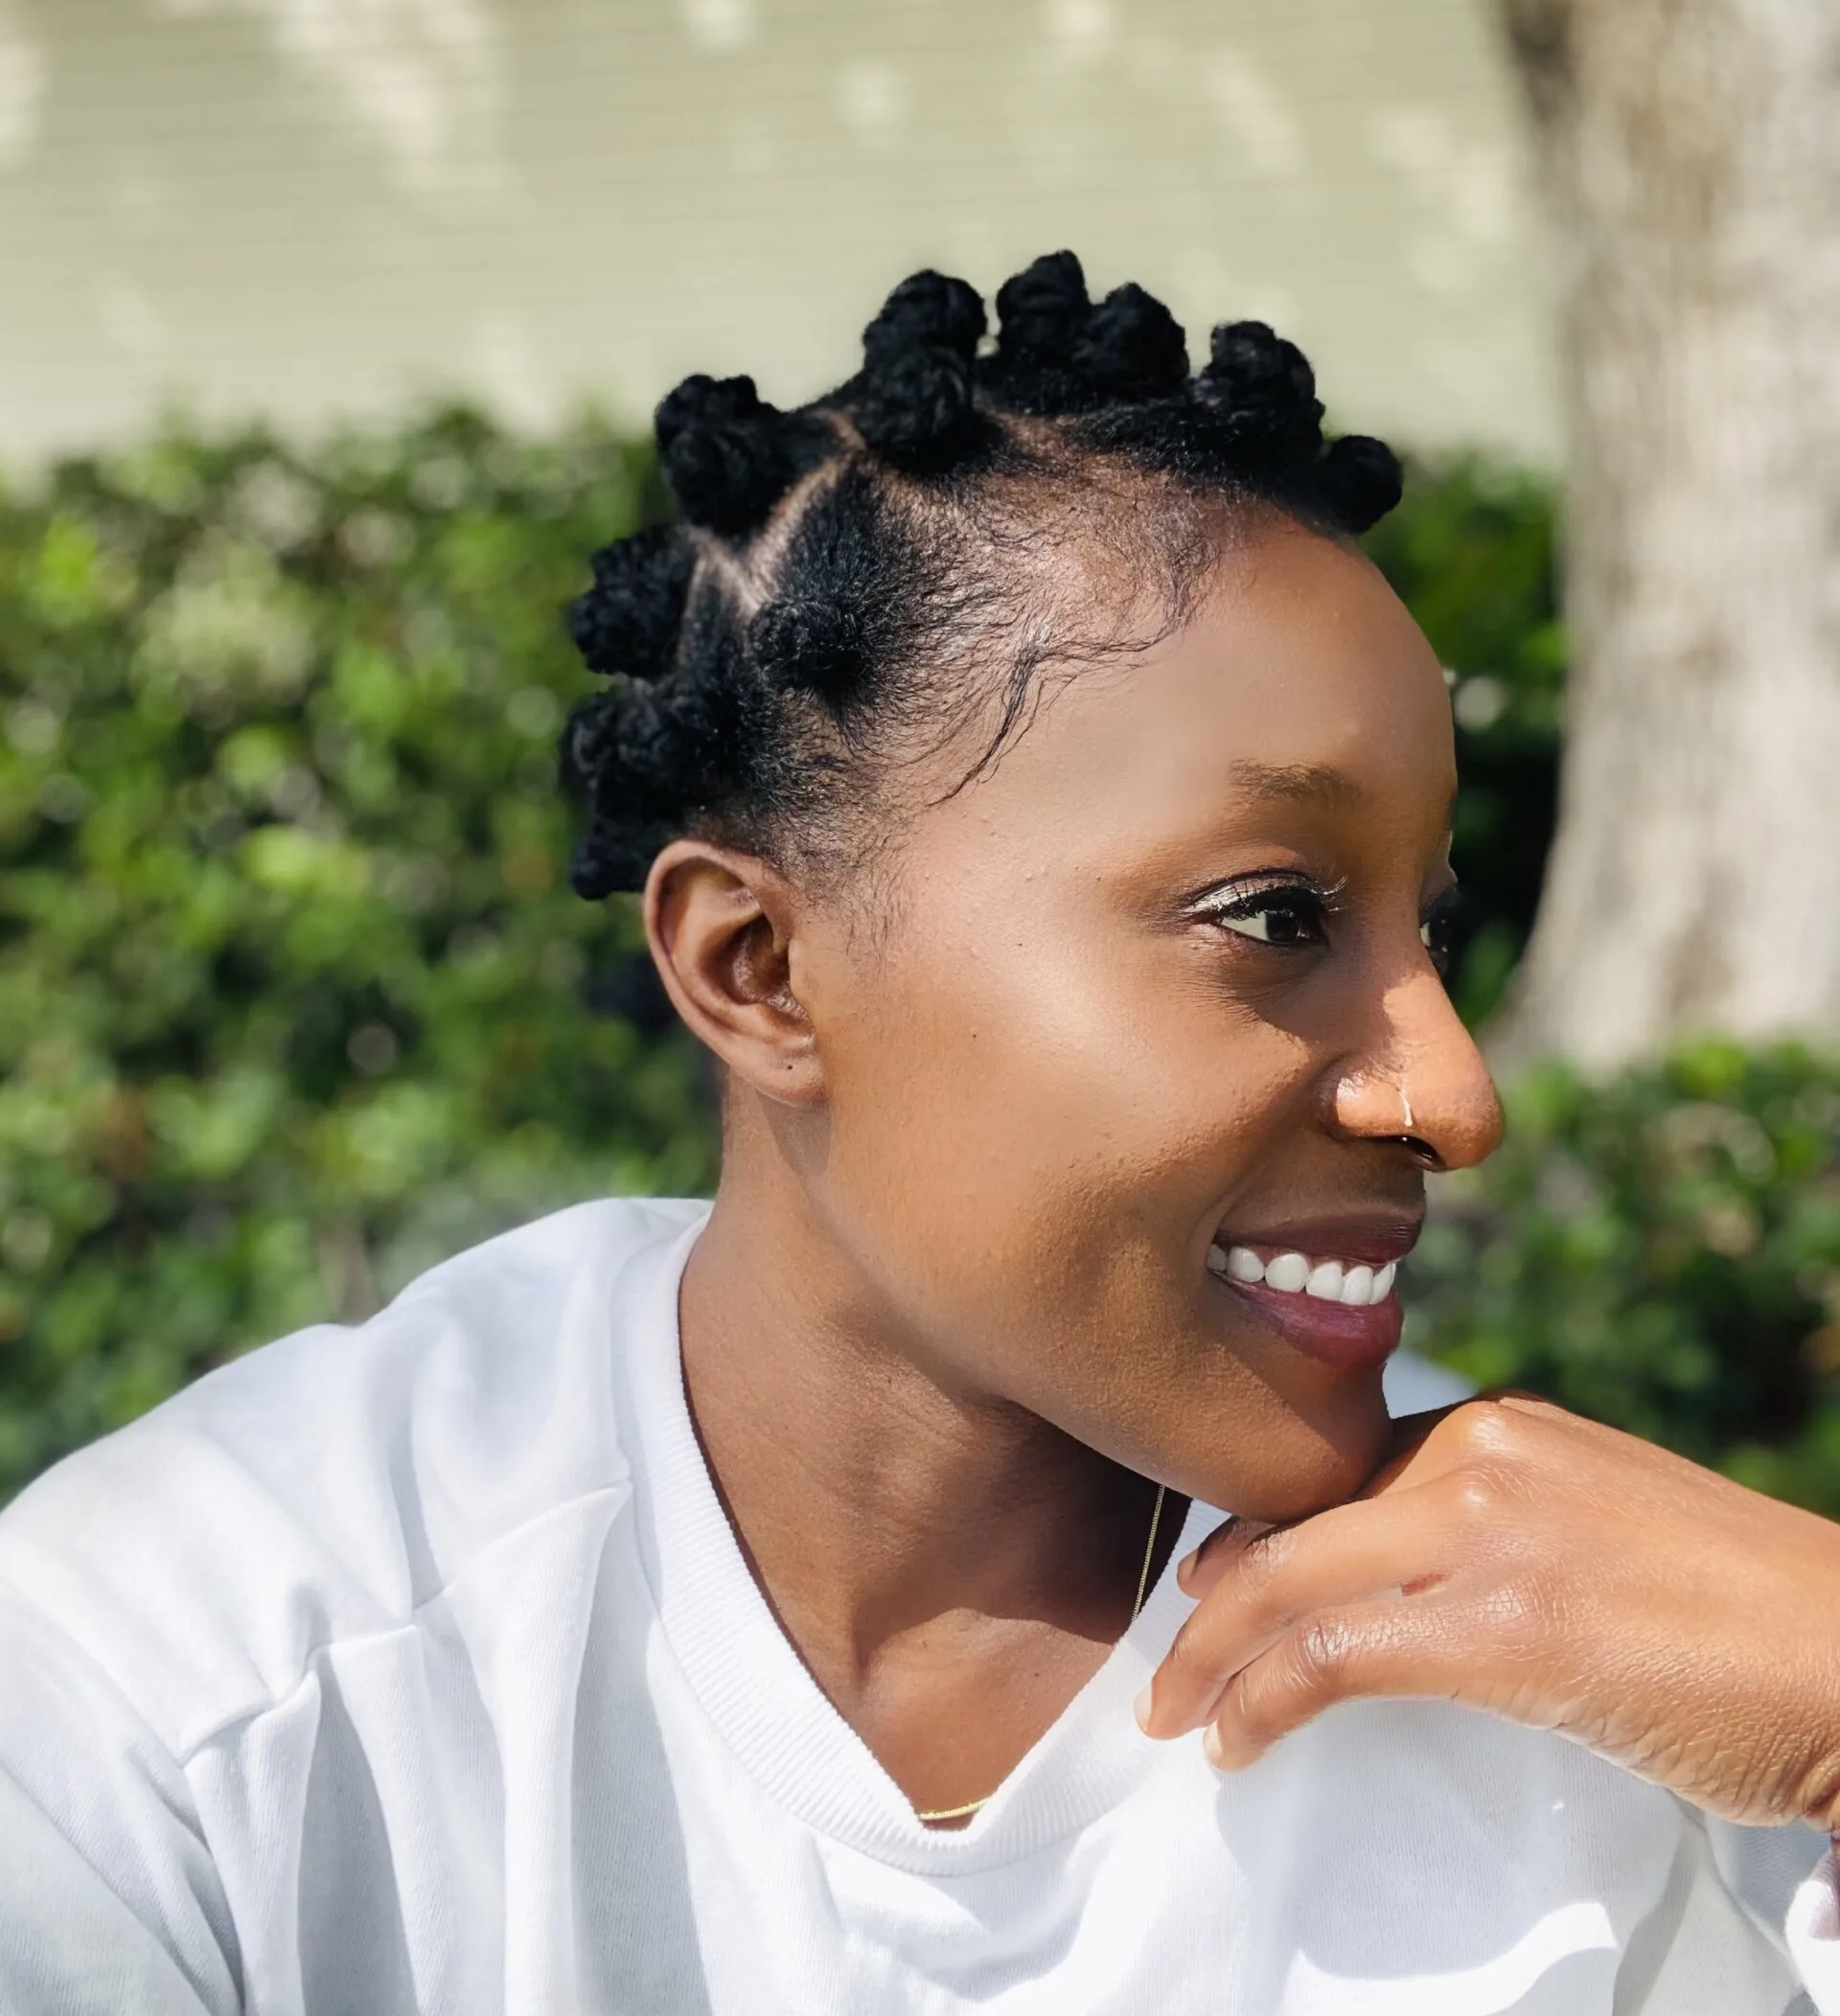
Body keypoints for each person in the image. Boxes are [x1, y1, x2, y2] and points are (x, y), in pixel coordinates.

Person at [2, 253, 1837, 2015]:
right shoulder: (193, 1688)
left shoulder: (1593, 1675)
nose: (1454, 1094)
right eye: (1276, 912)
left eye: (1425, 925)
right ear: (764, 969)